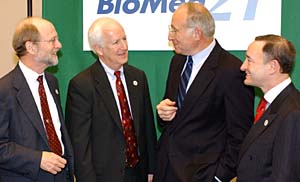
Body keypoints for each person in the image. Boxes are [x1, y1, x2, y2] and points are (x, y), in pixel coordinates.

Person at [155, 2, 254, 182]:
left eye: (175, 30)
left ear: (196, 33)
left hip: (201, 175)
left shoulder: (231, 71)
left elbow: (240, 135)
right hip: (166, 170)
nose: (170, 37)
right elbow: (173, 119)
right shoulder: (177, 62)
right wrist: (163, 113)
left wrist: (218, 177)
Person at [65, 17, 157, 182]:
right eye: (116, 42)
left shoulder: (138, 77)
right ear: (98, 49)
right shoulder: (82, 85)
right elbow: (80, 144)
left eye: (124, 39)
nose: (124, 46)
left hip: (139, 173)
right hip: (105, 176)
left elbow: (147, 127)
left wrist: (151, 168)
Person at [0, 17, 74, 181]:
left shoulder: (52, 82)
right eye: (52, 40)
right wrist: (37, 159)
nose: (59, 45)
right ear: (31, 47)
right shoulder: (4, 91)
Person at [237, 34, 300, 181]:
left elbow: (284, 177)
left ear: (273, 67)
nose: (243, 66)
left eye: (249, 60)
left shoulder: (292, 113)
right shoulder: (272, 105)